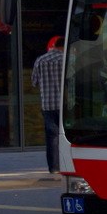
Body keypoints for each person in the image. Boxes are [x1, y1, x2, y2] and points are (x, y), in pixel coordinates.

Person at [31, 36, 64, 173]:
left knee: (52, 137)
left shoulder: (40, 60)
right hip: (64, 105)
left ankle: (54, 167)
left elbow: (34, 82)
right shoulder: (65, 60)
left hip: (48, 105)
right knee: (67, 137)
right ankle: (66, 164)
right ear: (63, 47)